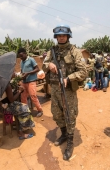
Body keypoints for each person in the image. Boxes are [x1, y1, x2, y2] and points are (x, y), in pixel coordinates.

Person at [42, 24, 87, 160]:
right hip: (55, 88)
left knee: (69, 114)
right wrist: (48, 65)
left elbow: (83, 71)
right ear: (56, 37)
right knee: (56, 114)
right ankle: (63, 133)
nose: (61, 38)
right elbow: (43, 64)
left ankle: (70, 142)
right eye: (59, 36)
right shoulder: (52, 51)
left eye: (64, 35)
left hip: (68, 90)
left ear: (68, 36)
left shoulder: (74, 51)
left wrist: (69, 78)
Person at [17, 48, 43, 117]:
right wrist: (21, 76)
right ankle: (25, 111)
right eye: (20, 56)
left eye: (22, 56)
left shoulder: (31, 60)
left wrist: (28, 73)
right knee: (23, 97)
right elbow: (22, 71)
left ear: (25, 54)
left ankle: (40, 110)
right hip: (24, 82)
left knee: (33, 96)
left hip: (31, 81)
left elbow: (37, 69)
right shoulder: (21, 62)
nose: (21, 58)